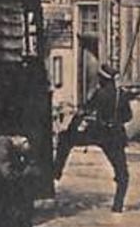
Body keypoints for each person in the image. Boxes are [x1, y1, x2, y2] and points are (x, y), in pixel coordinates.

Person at [54, 63, 131, 213]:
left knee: (65, 140)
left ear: (103, 79)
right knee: (122, 171)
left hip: (98, 132)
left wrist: (73, 127)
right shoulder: (121, 95)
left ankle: (56, 172)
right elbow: (128, 116)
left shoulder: (99, 93)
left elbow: (85, 111)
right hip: (115, 135)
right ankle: (118, 205)